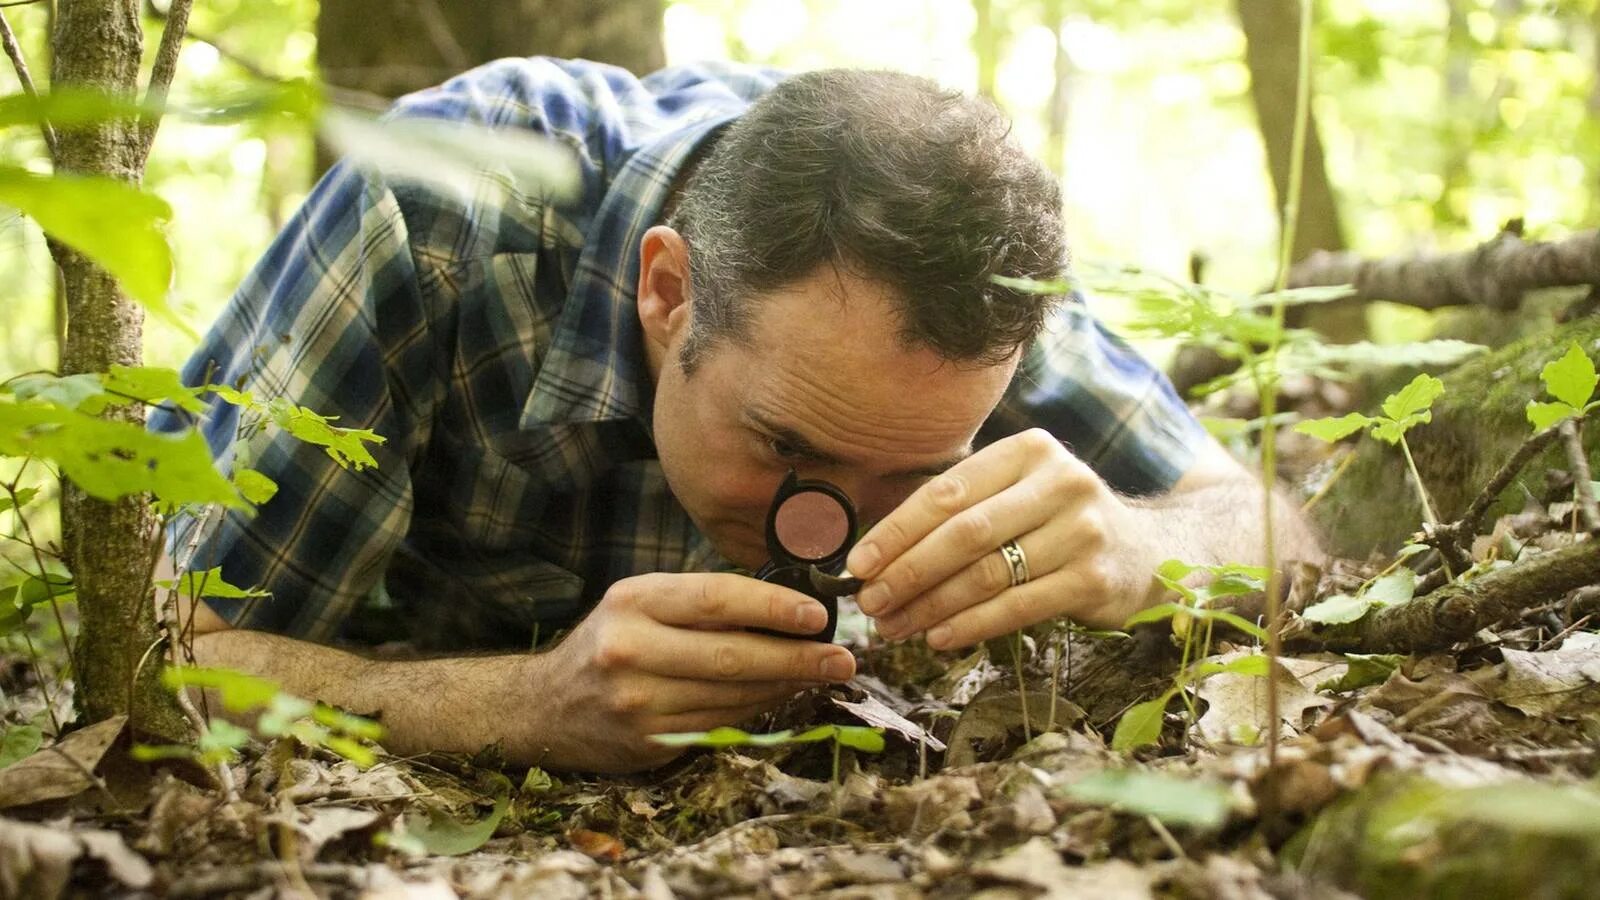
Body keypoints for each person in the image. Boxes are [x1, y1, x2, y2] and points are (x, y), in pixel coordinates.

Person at [155, 57, 1320, 773]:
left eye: (910, 471)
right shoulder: (443, 210)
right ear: (666, 293)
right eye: (788, 446)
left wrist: (1141, 544)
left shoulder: (968, 295)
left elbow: (1275, 530)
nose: (840, 540)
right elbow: (161, 657)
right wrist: (516, 703)